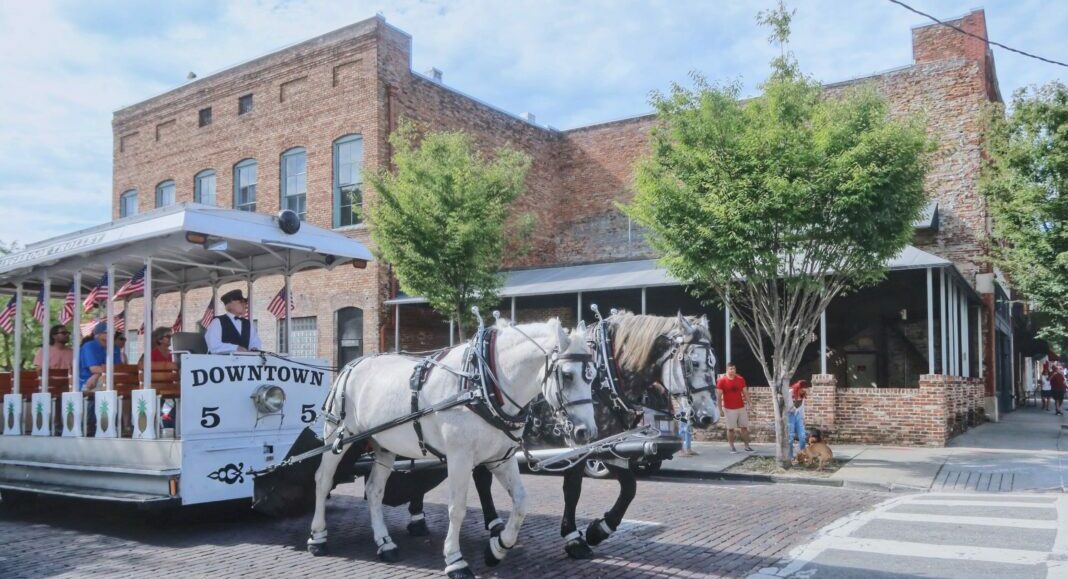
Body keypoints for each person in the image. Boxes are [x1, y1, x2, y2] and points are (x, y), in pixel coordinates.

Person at [205, 289, 262, 354]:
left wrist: (254, 348)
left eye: (245, 303)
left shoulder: (247, 324)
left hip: (246, 362)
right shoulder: (217, 322)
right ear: (230, 303)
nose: (245, 305)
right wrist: (235, 348)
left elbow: (254, 341)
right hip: (223, 362)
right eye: (241, 302)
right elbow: (213, 345)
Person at [716, 362, 754, 453]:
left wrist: (750, 403)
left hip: (740, 407)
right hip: (729, 408)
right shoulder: (722, 381)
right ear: (727, 369)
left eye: (734, 368)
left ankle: (747, 446)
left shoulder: (740, 379)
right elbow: (718, 396)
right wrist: (720, 409)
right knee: (730, 428)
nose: (732, 370)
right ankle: (732, 447)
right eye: (731, 369)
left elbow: (745, 392)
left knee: (744, 427)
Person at [788, 379, 809, 461]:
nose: (804, 390)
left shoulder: (803, 394)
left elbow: (802, 407)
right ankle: (790, 456)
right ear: (798, 387)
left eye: (805, 388)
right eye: (803, 388)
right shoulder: (790, 392)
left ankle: (802, 455)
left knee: (802, 436)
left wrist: (803, 418)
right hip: (790, 415)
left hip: (799, 416)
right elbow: (786, 405)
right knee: (790, 437)